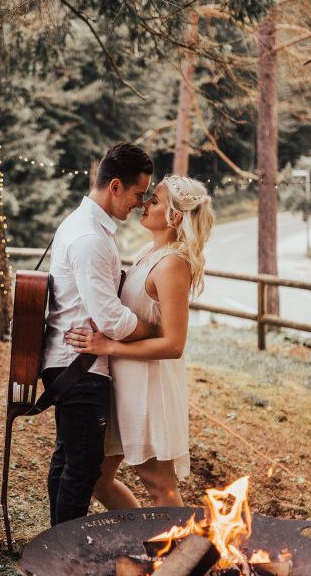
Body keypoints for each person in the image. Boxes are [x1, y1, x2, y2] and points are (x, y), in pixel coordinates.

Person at [65, 175, 214, 510]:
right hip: (124, 383)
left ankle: (186, 559)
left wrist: (109, 347)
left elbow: (174, 345)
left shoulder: (173, 264)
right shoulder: (150, 252)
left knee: (160, 486)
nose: (145, 203)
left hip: (149, 388)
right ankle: (144, 543)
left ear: (175, 216)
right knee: (98, 479)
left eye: (156, 201)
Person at [41, 142, 156, 526]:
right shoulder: (89, 237)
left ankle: (53, 545)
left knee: (69, 458)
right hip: (80, 366)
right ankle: (62, 554)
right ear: (116, 186)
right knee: (84, 466)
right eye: (139, 194)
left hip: (73, 362)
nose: (140, 204)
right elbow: (109, 317)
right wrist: (151, 328)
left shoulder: (87, 226)